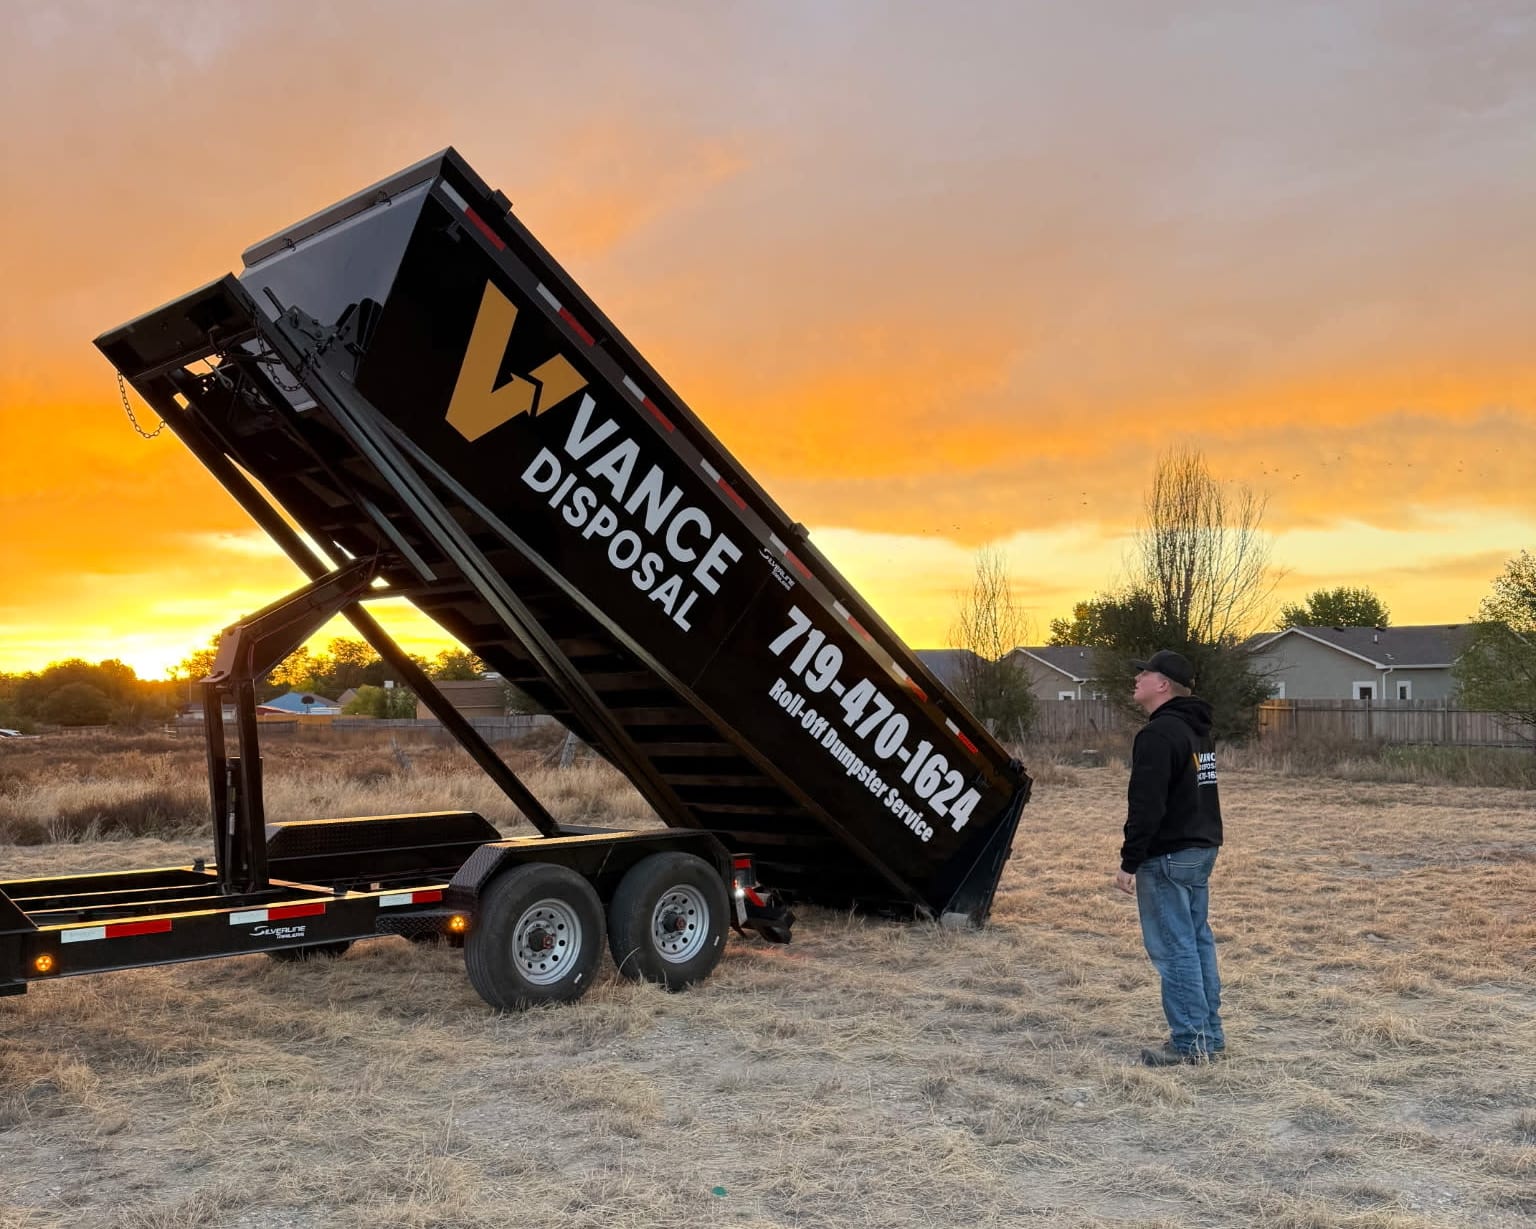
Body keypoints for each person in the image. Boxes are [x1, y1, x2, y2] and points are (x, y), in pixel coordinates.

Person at [1113, 649, 1225, 1065]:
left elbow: (1147, 806)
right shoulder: (1197, 730)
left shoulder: (1159, 735)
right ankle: (1209, 1037)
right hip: (1200, 848)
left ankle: (1190, 1043)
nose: (1136, 679)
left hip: (1168, 855)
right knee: (1196, 943)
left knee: (1175, 949)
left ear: (1163, 684)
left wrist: (1129, 862)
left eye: (1144, 674)